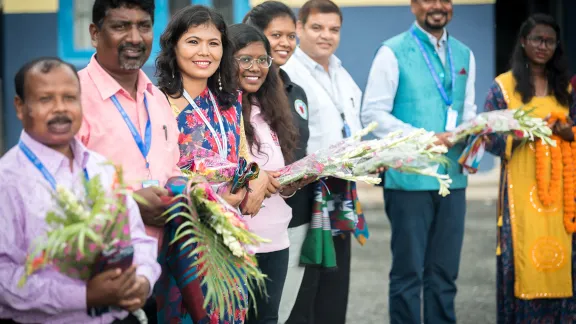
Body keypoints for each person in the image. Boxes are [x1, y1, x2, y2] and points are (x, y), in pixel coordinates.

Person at [0, 57, 161, 324]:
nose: (60, 109)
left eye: (70, 98)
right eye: (45, 99)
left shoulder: (102, 169)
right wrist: (84, 296)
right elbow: (4, 278)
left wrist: (142, 279)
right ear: (20, 107)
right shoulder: (8, 180)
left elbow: (138, 239)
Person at [154, 5, 278, 323]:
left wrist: (256, 181)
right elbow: (159, 174)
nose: (204, 52)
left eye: (214, 42)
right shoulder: (157, 103)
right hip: (183, 234)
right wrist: (213, 195)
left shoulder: (230, 101)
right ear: (173, 46)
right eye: (193, 41)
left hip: (230, 230)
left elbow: (243, 156)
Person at [360, 0, 477, 323]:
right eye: (429, 0)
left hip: (453, 178)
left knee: (445, 274)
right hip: (409, 179)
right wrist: (425, 137)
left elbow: (467, 110)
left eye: (445, 0)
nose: (438, 6)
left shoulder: (465, 53)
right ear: (413, 6)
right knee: (408, 274)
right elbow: (372, 113)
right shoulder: (392, 51)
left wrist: (474, 134)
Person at [484, 14, 576, 323]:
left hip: (564, 195)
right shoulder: (504, 88)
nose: (542, 46)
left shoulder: (566, 88)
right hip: (519, 195)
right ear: (523, 42)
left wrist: (569, 133)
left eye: (549, 41)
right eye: (537, 39)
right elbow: (488, 139)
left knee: (564, 263)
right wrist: (521, 134)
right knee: (523, 262)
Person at [281, 1, 365, 323]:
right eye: (317, 28)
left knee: (335, 285)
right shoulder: (290, 73)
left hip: (340, 192)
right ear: (299, 29)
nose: (325, 36)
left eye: (333, 29)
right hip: (309, 195)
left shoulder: (341, 71)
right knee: (307, 289)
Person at [229, 23, 314, 324]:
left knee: (267, 320)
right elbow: (212, 172)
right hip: (236, 242)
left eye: (262, 60)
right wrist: (255, 176)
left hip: (276, 239)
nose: (256, 68)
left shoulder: (269, 109)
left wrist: (293, 182)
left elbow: (278, 173)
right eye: (245, 59)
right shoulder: (218, 112)